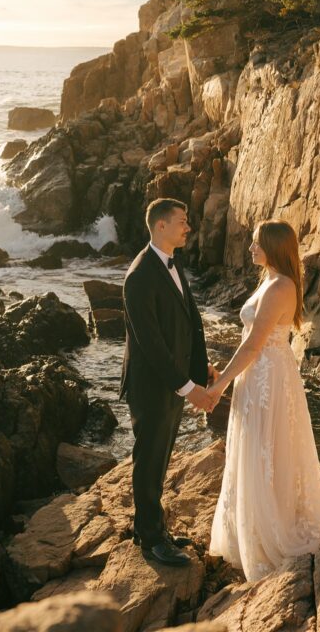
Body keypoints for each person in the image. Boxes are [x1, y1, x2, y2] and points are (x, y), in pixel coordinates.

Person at [207, 219, 320, 581]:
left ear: (274, 247)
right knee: (258, 447)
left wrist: (219, 386)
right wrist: (226, 376)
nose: (250, 248)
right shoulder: (269, 280)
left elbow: (253, 344)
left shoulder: (281, 286)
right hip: (259, 374)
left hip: (268, 378)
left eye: (256, 243)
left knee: (267, 448)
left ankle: (271, 533)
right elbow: (249, 342)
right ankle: (249, 528)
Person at [119, 197, 218, 567]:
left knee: (160, 458)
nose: (187, 227)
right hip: (151, 385)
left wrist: (198, 370)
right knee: (149, 459)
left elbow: (189, 323)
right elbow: (151, 343)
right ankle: (150, 540)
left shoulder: (172, 265)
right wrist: (189, 388)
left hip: (172, 382)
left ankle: (151, 526)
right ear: (160, 225)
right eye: (182, 221)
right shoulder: (140, 276)